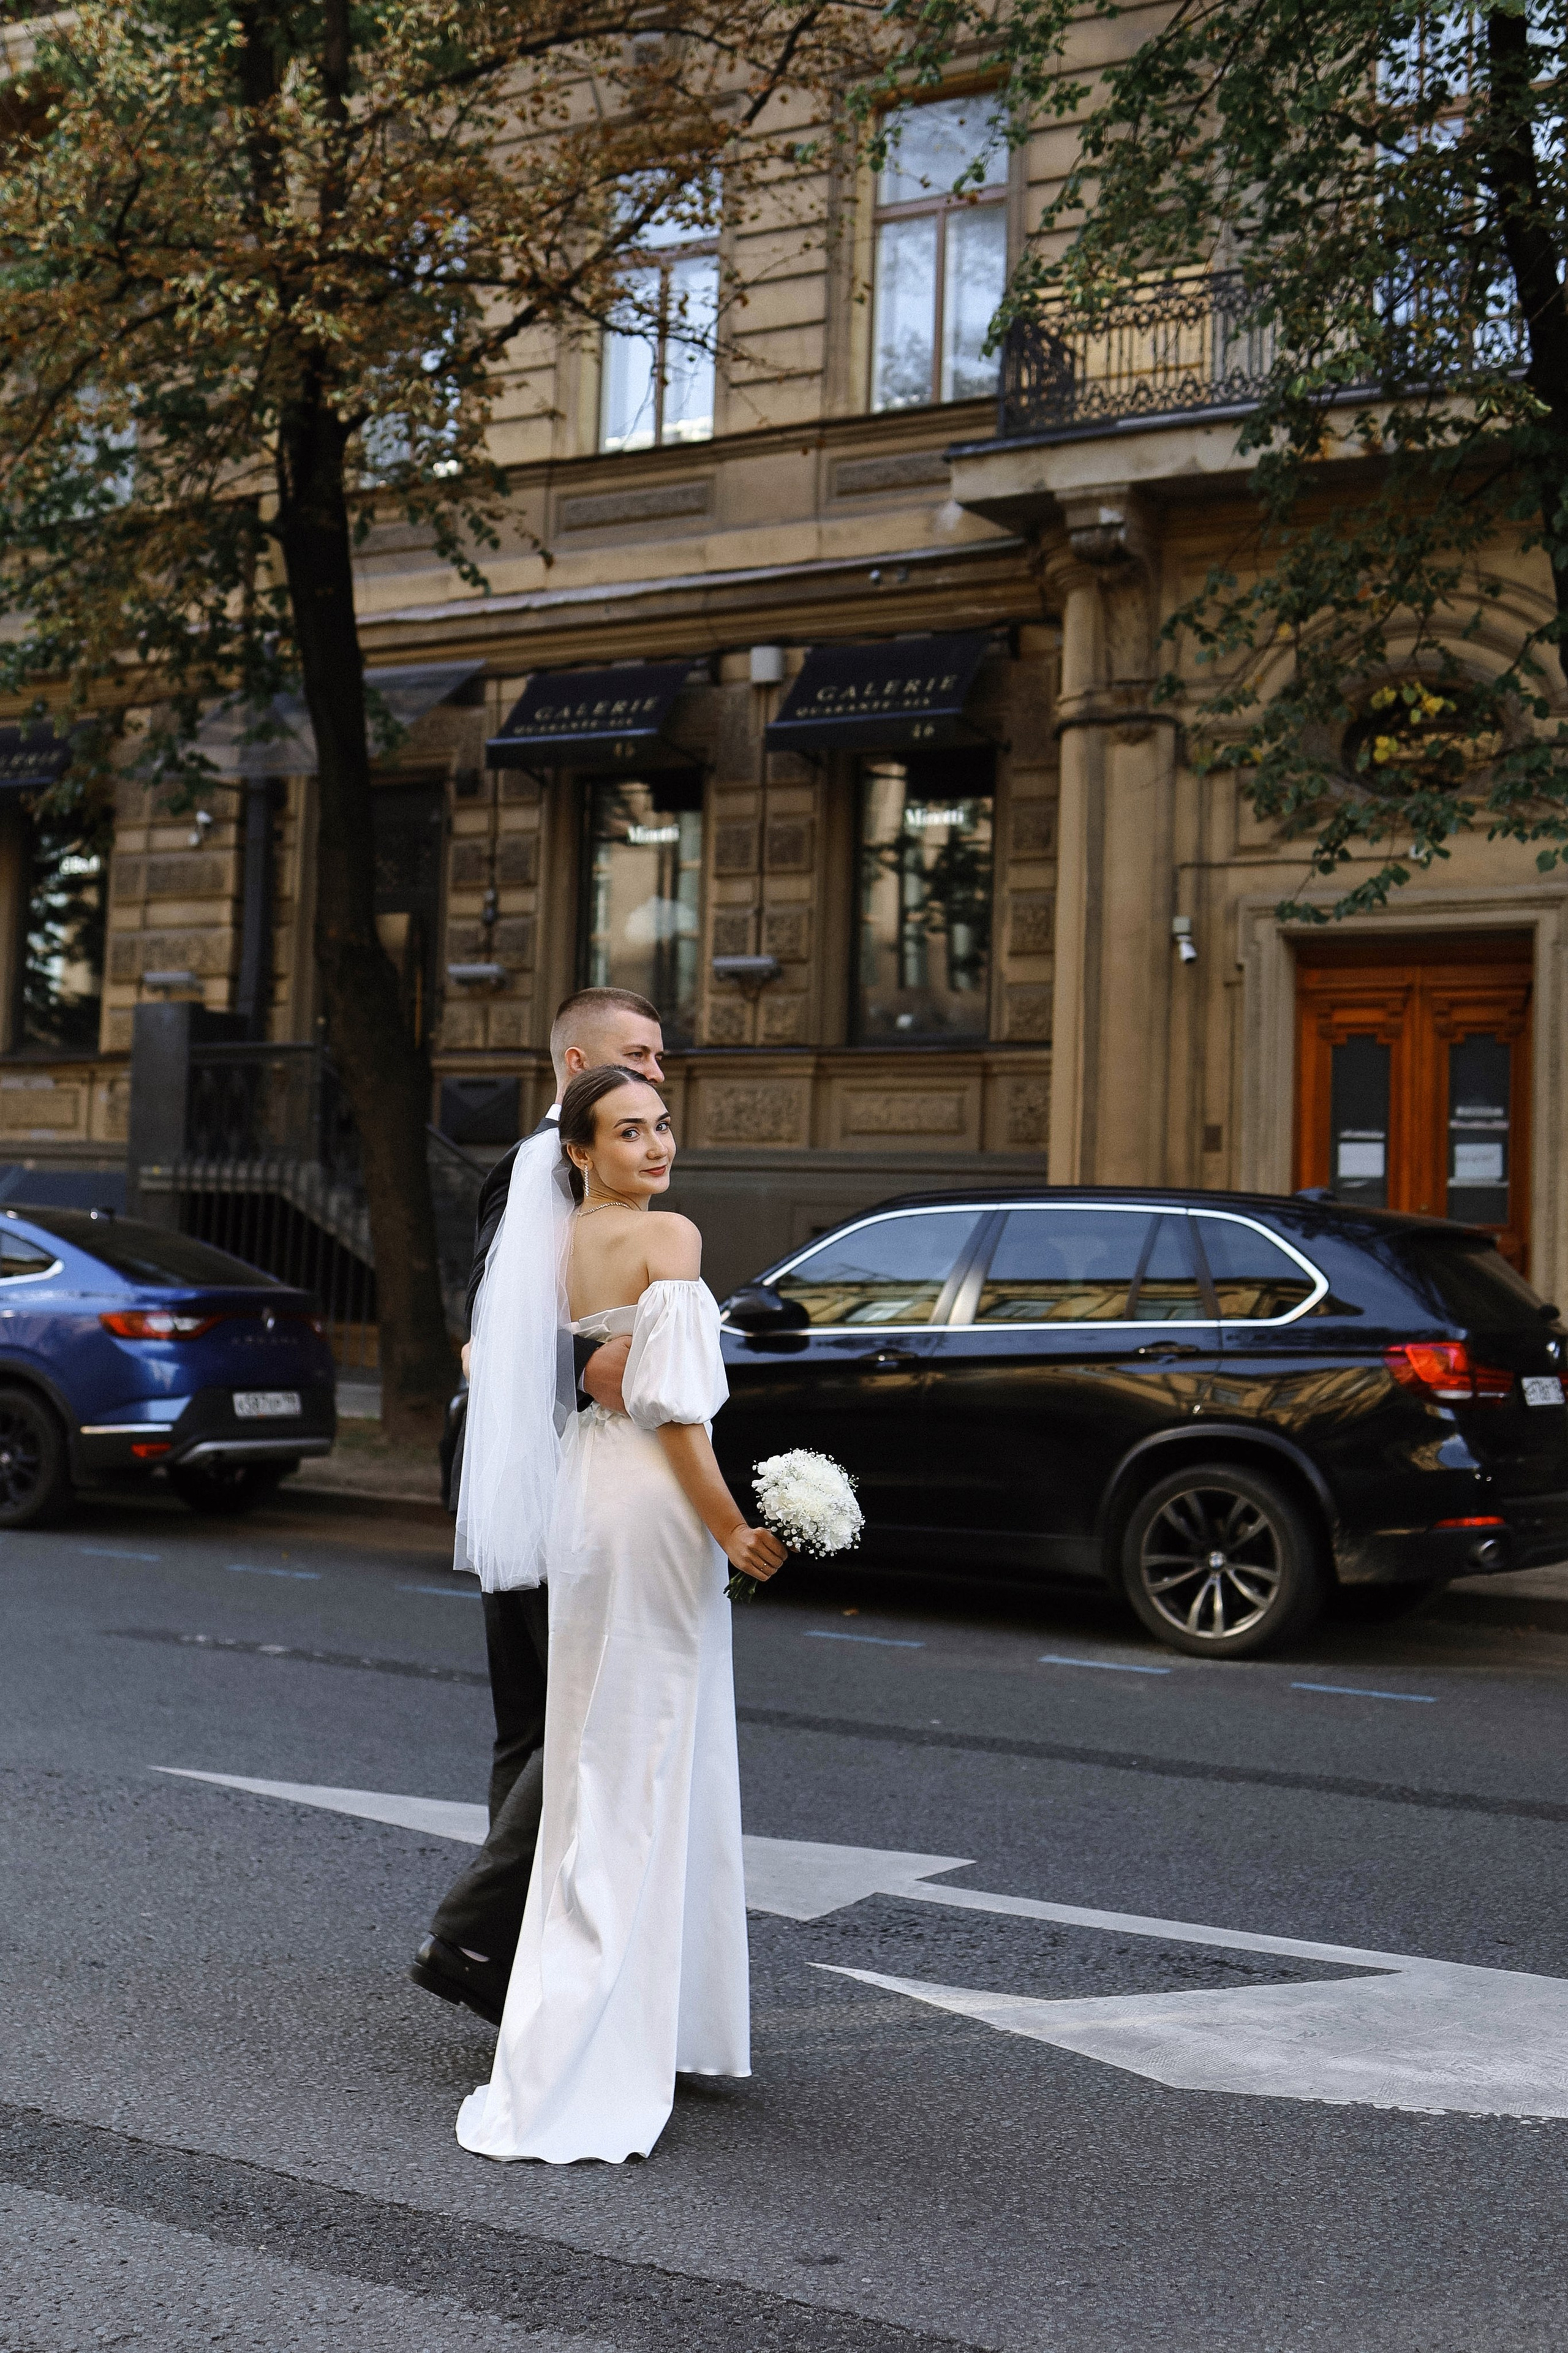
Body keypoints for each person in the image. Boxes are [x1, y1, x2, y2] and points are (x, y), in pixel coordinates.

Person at [453, 1063, 785, 2164]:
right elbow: (678, 1414)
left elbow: (516, 1373)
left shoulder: (545, 1251)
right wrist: (733, 1527)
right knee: (643, 1759)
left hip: (581, 1499)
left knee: (597, 1750)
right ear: (583, 1152)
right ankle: (593, 2039)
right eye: (630, 1131)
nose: (658, 1146)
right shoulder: (672, 1240)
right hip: (651, 1500)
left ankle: (636, 2015)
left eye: (662, 1125)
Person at [410, 987, 667, 2028]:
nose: (657, 1076)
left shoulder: (588, 1165)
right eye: (638, 1057)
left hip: (535, 1465)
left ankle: (507, 1950)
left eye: (659, 1061)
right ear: (576, 1068)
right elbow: (500, 1328)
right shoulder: (544, 1170)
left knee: (528, 1729)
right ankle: (473, 1930)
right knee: (570, 1719)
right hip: (552, 1472)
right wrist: (598, 1365)